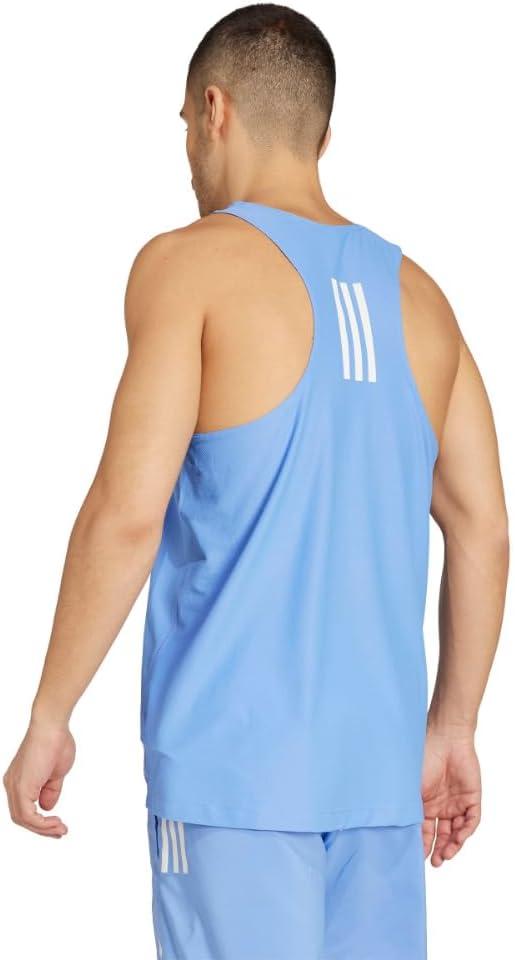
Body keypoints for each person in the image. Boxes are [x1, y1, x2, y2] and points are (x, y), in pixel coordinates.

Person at [3, 4, 509, 959]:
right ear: (322, 136)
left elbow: (126, 512)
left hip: (231, 778)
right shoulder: (421, 298)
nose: (188, 158)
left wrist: (50, 714)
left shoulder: (187, 266)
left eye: (184, 130)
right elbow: (483, 525)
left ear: (213, 110)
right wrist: (453, 726)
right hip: (380, 786)